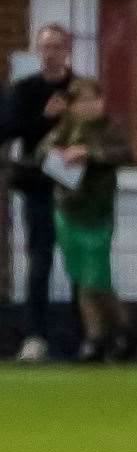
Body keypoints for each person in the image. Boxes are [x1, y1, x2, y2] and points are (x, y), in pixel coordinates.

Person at [36, 77, 133, 362]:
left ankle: (121, 331)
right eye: (81, 101)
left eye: (93, 100)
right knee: (81, 277)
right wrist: (60, 154)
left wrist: (89, 154)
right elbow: (41, 150)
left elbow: (123, 153)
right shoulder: (65, 128)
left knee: (96, 277)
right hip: (67, 209)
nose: (88, 106)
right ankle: (98, 337)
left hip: (97, 212)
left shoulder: (109, 130)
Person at [5, 23, 74, 363]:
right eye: (46, 47)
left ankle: (84, 338)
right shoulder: (25, 89)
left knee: (81, 261)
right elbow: (7, 129)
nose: (52, 53)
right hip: (38, 188)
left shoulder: (81, 89)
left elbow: (101, 129)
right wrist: (43, 117)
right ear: (38, 50)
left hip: (78, 190)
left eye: (58, 47)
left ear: (68, 50)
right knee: (40, 260)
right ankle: (35, 336)